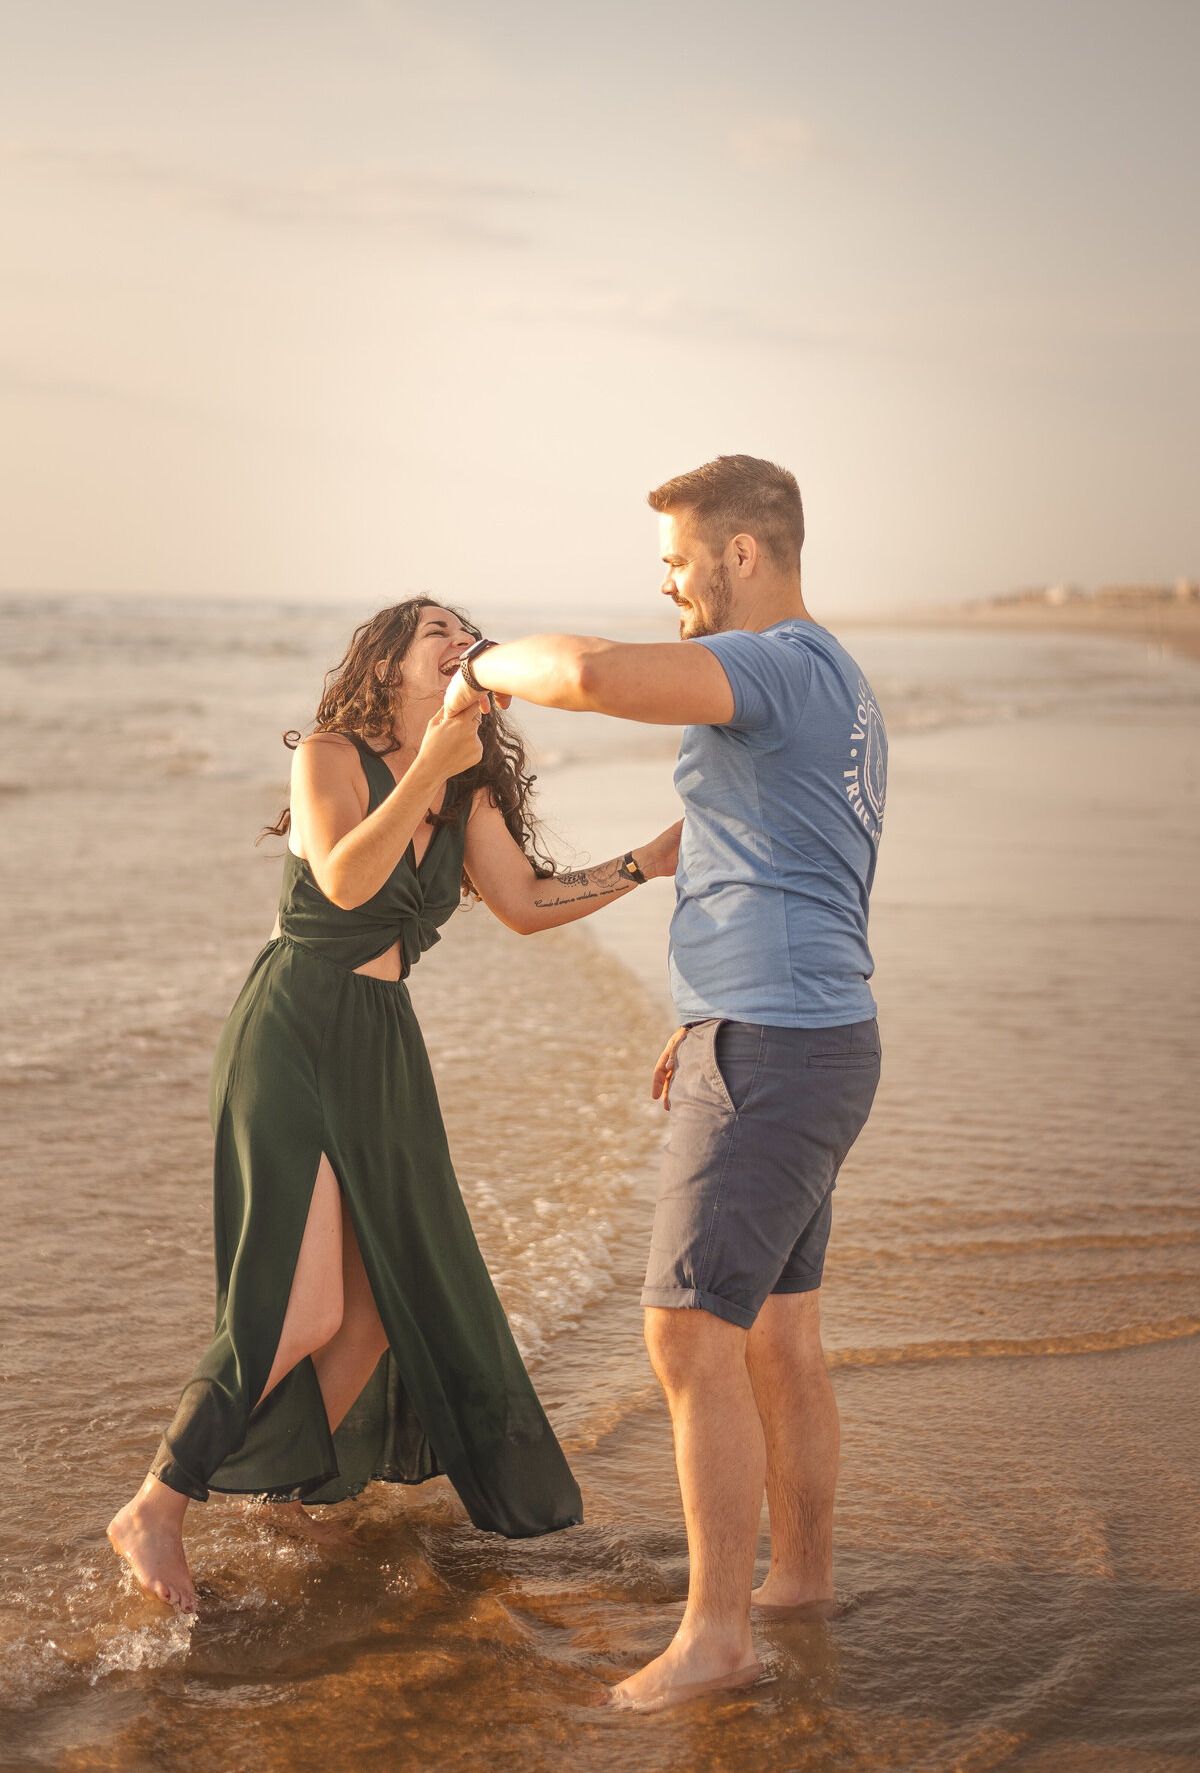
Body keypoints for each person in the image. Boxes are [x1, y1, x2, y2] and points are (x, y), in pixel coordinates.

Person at [107, 597, 682, 1613]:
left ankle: (289, 1495)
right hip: (294, 1030)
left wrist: (649, 860)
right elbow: (339, 878)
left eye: (472, 633)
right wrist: (432, 761)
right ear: (388, 661)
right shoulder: (330, 754)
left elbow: (526, 905)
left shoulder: (467, 794)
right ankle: (157, 1500)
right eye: (439, 633)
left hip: (381, 1043)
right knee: (303, 1301)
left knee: (375, 1316)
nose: (464, 643)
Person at [441, 455, 886, 1713]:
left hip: (775, 1040)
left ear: (743, 553)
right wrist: (706, 1018)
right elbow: (790, 862)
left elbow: (583, 676)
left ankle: (715, 1636)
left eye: (679, 561)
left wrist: (476, 667)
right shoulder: (843, 684)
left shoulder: (775, 666)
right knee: (778, 1331)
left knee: (687, 1331)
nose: (672, 585)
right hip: (806, 1030)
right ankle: (795, 1583)